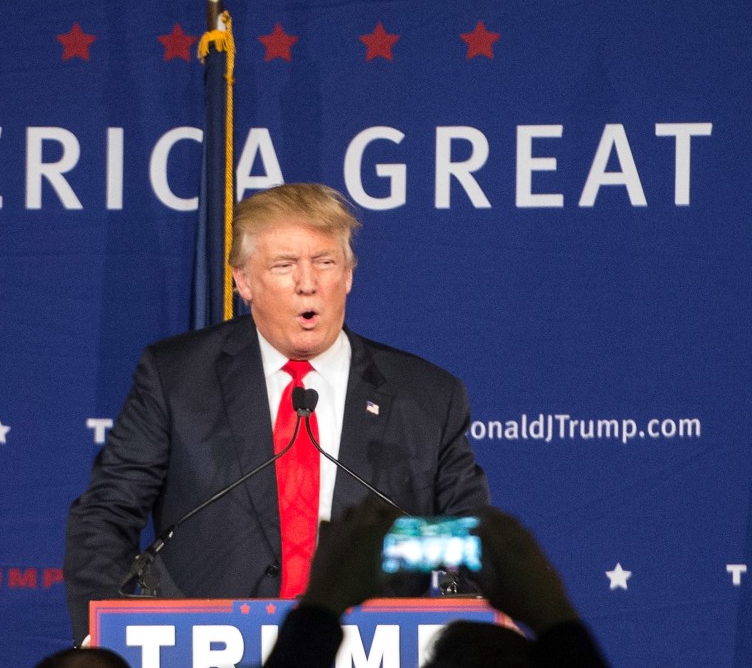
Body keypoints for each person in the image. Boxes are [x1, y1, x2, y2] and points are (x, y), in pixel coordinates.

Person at [65, 182, 490, 641]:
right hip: (205, 655)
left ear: (348, 275)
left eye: (325, 263)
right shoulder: (176, 379)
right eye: (284, 265)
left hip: (372, 659)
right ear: (244, 281)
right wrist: (105, 639)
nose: (308, 283)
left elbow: (470, 540)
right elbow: (105, 516)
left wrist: (470, 645)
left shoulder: (426, 396)